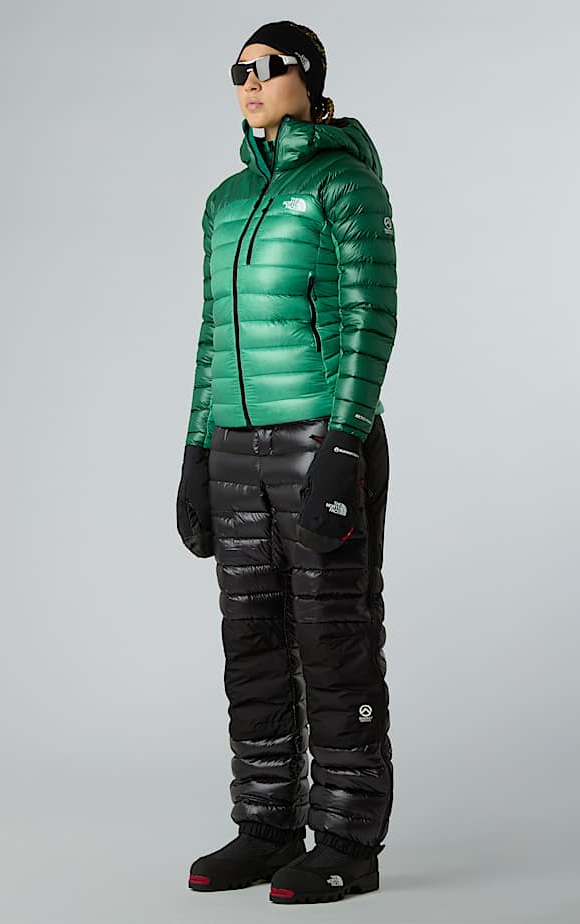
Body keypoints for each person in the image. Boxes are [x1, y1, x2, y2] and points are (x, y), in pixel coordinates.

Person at [175, 20, 397, 904]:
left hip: (318, 441)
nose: (250, 81)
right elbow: (211, 334)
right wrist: (196, 449)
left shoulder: (345, 184)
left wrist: (345, 443)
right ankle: (266, 827)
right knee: (253, 642)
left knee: (332, 640)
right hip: (235, 448)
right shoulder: (225, 202)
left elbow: (371, 317)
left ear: (311, 78)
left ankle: (347, 840)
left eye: (269, 67)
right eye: (239, 69)